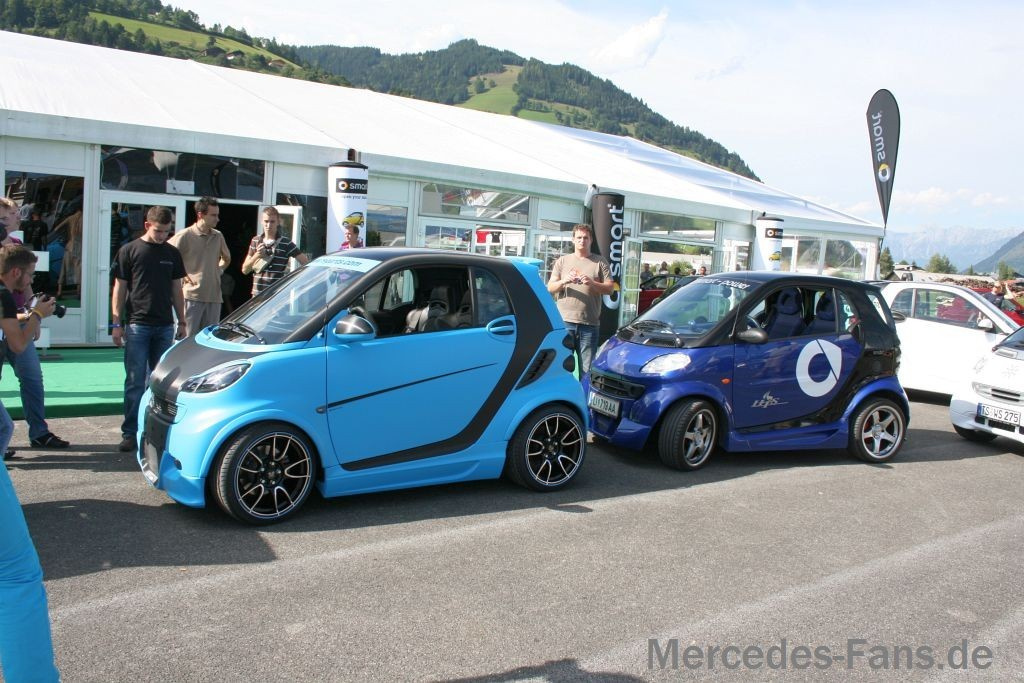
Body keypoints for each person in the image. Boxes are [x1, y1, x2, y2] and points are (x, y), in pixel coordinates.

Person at [0, 245, 61, 682]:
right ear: (17, 272)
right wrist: (37, 313)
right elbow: (19, 342)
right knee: (16, 575)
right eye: (29, 274)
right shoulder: (3, 294)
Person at [111, 206, 186, 453]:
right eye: (158, 231)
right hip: (137, 325)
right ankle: (130, 432)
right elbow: (120, 288)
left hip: (164, 325)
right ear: (147, 226)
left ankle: (154, 433)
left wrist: (182, 321)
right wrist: (116, 323)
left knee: (161, 382)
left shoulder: (172, 253)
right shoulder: (129, 250)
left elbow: (177, 289)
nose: (162, 235)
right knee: (135, 381)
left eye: (166, 231)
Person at [0, 200, 69, 450]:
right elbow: (17, 343)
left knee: (31, 379)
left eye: (11, 215)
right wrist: (36, 315)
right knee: (5, 427)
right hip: (12, 322)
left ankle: (38, 433)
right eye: (6, 216)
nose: (13, 218)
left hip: (15, 320)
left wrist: (32, 313)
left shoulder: (17, 249)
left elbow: (25, 288)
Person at [546, 223, 614, 378]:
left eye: (585, 238)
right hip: (564, 322)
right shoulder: (562, 261)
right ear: (573, 240)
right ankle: (565, 394)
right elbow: (550, 287)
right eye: (579, 238)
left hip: (589, 325)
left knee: (587, 371)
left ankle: (583, 394)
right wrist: (564, 281)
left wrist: (592, 283)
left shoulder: (600, 261)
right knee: (562, 368)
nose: (582, 241)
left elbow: (610, 289)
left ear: (591, 240)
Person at [168, 197, 230, 337]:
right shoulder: (185, 235)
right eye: (213, 215)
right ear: (200, 215)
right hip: (192, 296)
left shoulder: (218, 235)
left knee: (210, 340)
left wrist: (218, 270)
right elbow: (167, 254)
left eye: (217, 215)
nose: (217, 219)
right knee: (187, 339)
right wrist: (181, 274)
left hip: (214, 297)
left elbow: (226, 258)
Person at [242, 206, 309, 297]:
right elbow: (245, 270)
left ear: (278, 222)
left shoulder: (286, 243)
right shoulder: (256, 240)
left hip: (276, 296)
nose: (269, 225)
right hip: (257, 295)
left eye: (272, 221)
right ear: (261, 221)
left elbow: (306, 263)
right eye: (266, 221)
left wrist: (292, 281)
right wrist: (257, 255)